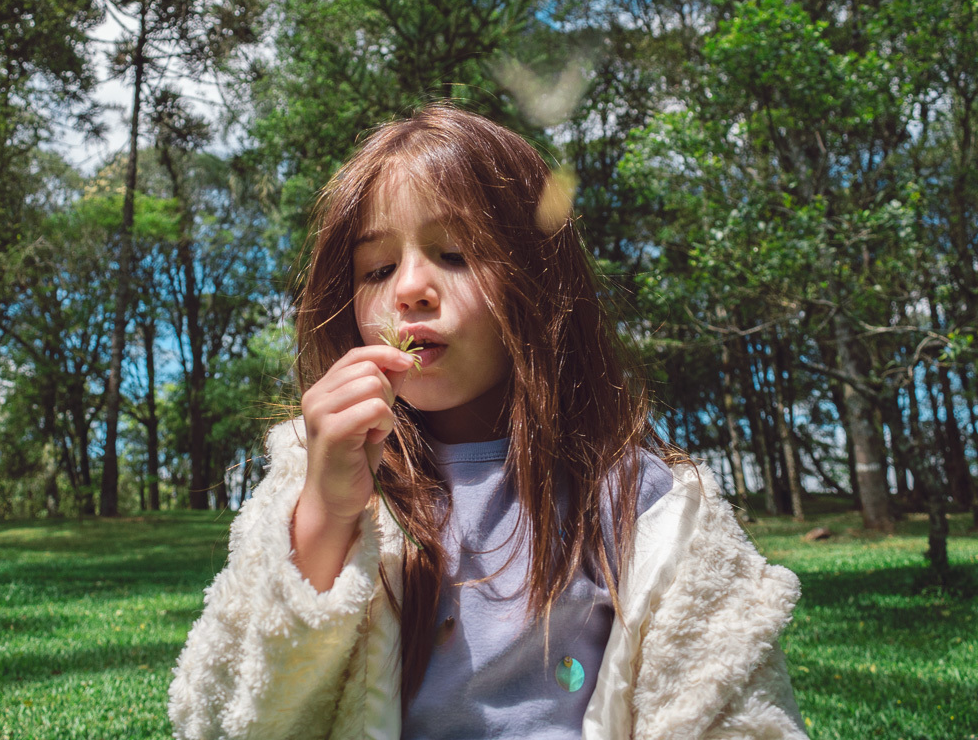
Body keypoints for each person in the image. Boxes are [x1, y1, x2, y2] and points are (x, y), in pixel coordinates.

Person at [168, 104, 807, 740]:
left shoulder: (641, 500)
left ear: (540, 281)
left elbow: (729, 705)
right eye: (378, 269)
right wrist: (327, 512)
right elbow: (229, 714)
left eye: (454, 253)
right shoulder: (317, 478)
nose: (410, 288)